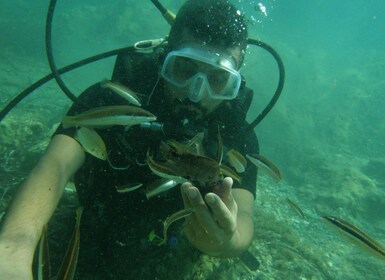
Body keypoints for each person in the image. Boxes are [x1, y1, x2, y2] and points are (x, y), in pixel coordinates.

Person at [0, 0, 259, 278]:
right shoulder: (111, 100)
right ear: (164, 58)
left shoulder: (234, 135)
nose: (197, 93)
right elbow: (56, 164)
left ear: (236, 82)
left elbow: (243, 216)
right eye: (184, 69)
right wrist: (13, 249)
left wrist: (227, 241)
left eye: (219, 79)